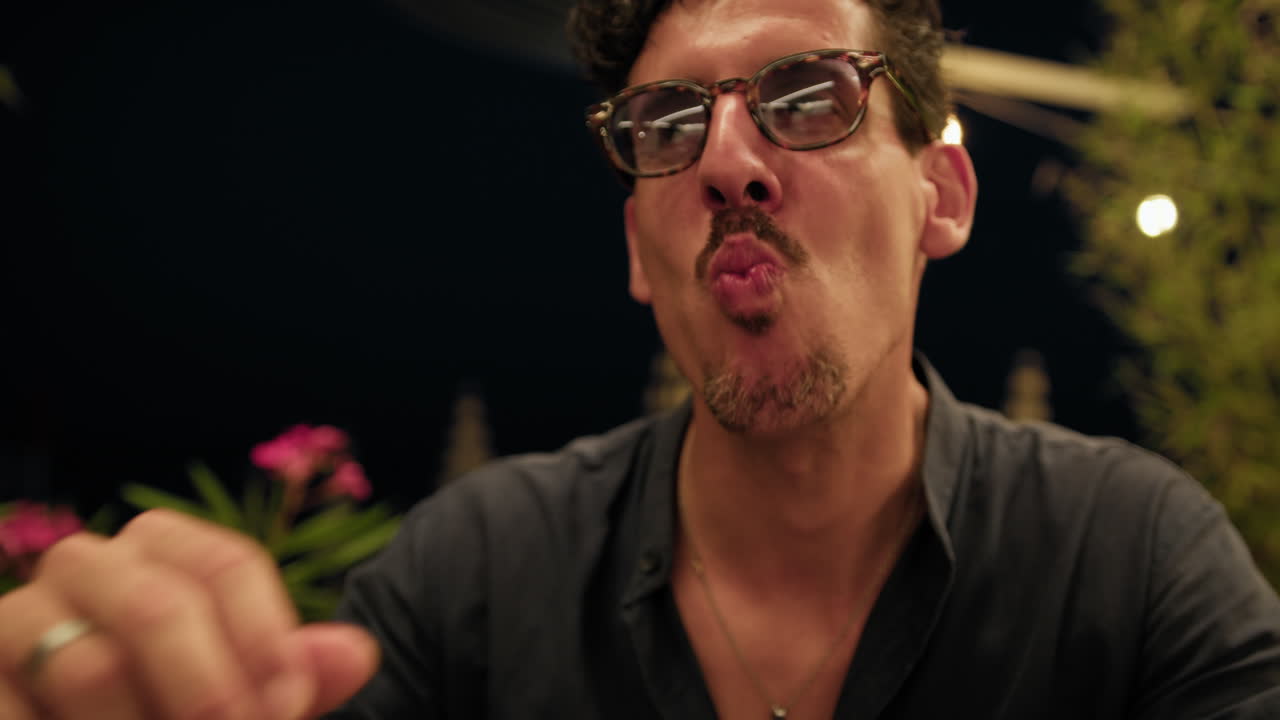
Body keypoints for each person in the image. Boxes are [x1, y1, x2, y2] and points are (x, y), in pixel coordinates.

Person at [2, 0, 1279, 717]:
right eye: (667, 123)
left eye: (807, 97)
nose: (725, 158)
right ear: (635, 248)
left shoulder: (1129, 557)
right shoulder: (480, 571)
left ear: (939, 196)